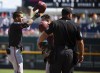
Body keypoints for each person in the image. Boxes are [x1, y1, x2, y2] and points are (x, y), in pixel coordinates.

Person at [37, 7, 84, 73]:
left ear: (62, 14)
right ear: (70, 14)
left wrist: (39, 43)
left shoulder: (55, 23)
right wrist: (81, 54)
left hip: (57, 53)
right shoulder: (75, 25)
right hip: (70, 53)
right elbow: (80, 42)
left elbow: (44, 35)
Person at [6, 1, 46, 73]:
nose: (22, 18)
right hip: (14, 50)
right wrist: (35, 16)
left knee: (18, 71)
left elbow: (26, 24)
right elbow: (27, 24)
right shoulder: (15, 25)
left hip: (15, 50)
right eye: (21, 17)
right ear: (16, 18)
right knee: (19, 71)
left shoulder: (15, 25)